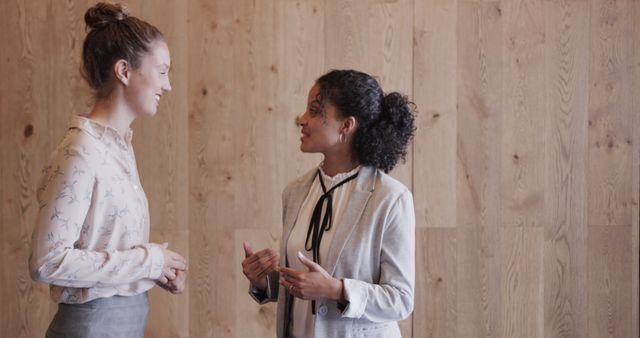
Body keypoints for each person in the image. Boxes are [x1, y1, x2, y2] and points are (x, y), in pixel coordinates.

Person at [28, 3, 187, 337]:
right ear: (124, 71)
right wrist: (148, 261)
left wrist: (153, 271)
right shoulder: (81, 150)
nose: (168, 85)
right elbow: (47, 261)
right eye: (161, 71)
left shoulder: (118, 148)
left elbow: (100, 246)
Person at [242, 69, 416, 338]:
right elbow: (302, 288)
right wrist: (263, 281)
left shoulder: (391, 198)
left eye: (314, 110)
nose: (302, 119)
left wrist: (335, 289)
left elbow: (401, 300)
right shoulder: (296, 192)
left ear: (347, 125)